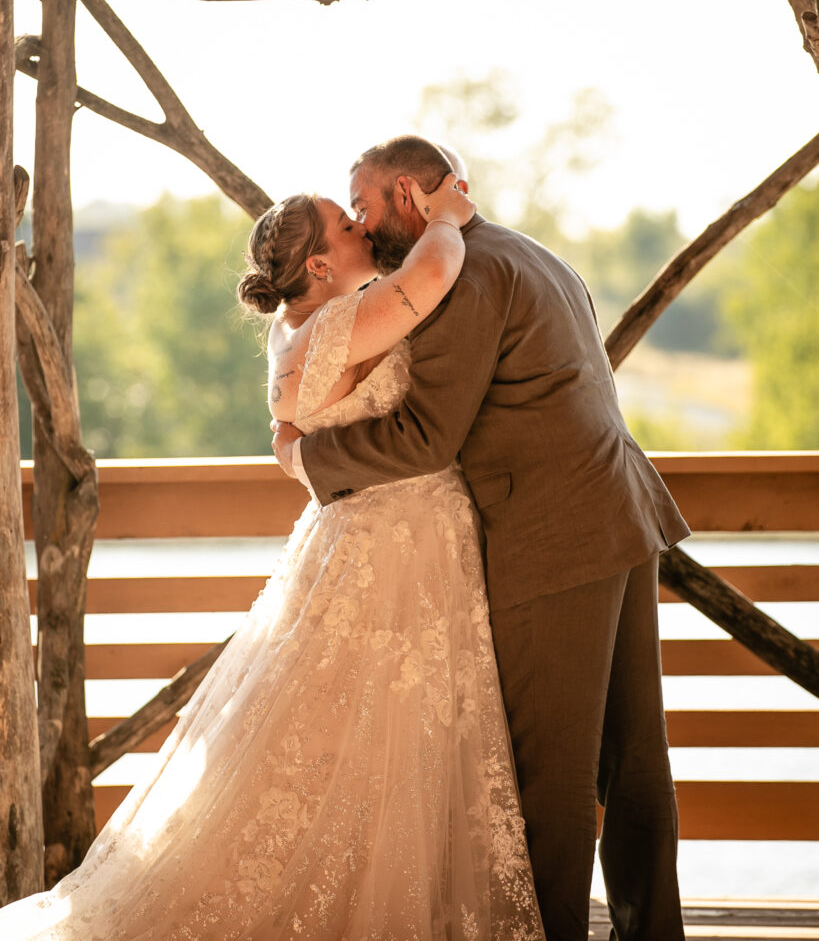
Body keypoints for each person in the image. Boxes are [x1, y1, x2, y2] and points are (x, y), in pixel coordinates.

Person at [0, 175, 546, 941]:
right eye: (346, 228)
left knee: (343, 719)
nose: (361, 228)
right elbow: (432, 272)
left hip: (350, 532)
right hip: (403, 535)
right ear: (319, 266)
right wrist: (450, 215)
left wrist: (295, 455)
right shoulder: (346, 319)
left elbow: (298, 430)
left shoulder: (288, 333)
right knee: (393, 718)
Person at [273, 134, 691, 941]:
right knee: (635, 756)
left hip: (554, 533)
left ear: (406, 194)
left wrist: (305, 456)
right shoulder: (534, 253)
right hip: (619, 510)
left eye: (362, 207)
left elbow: (427, 437)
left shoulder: (466, 276)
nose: (363, 226)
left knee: (551, 773)